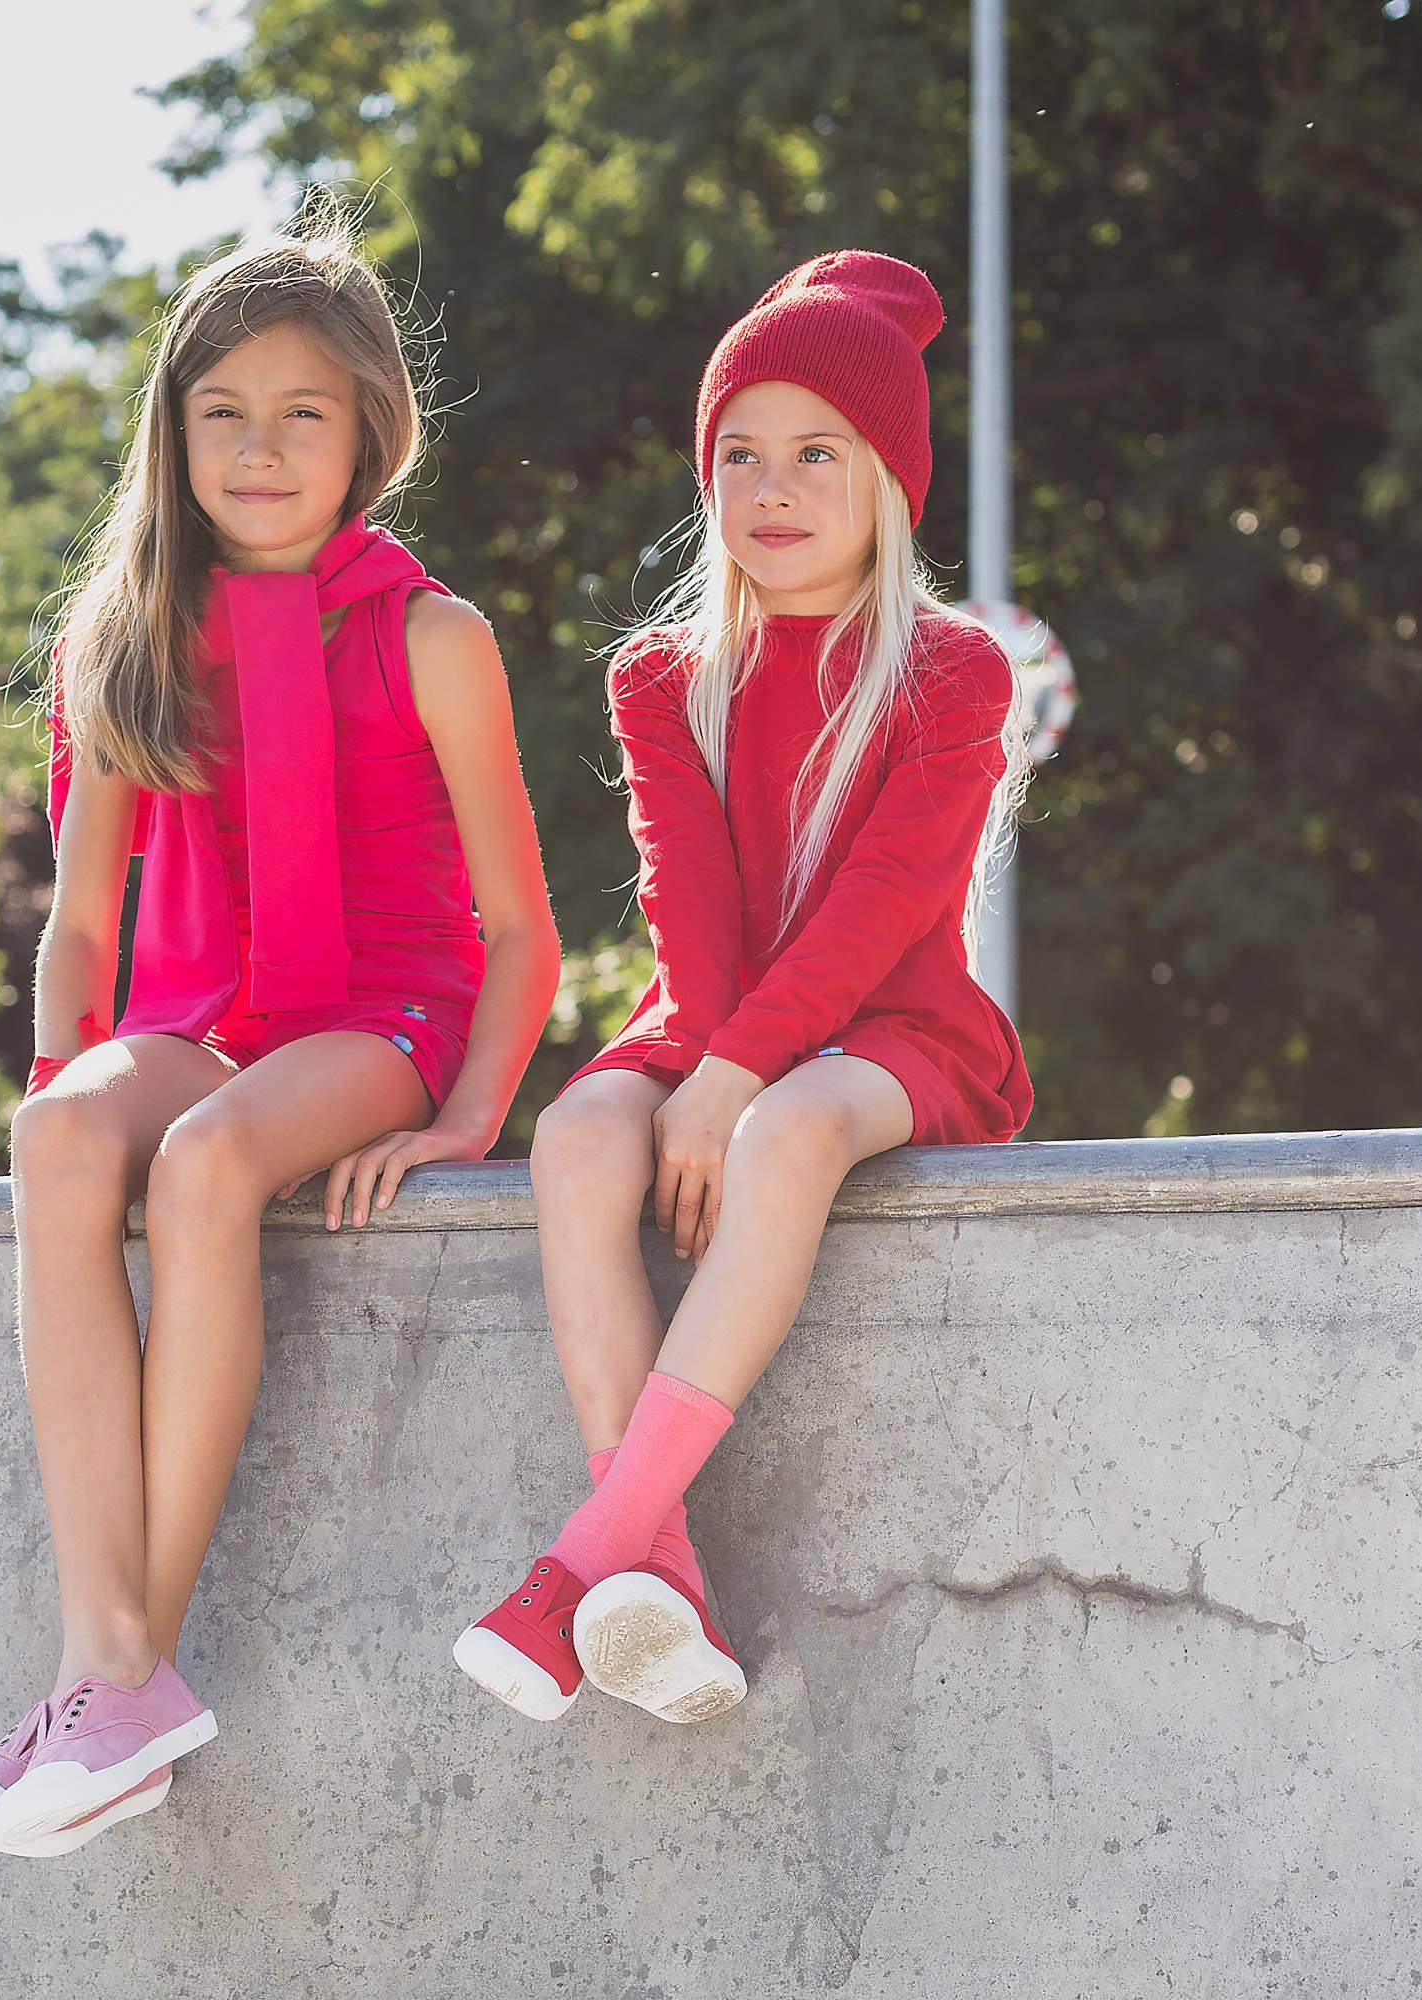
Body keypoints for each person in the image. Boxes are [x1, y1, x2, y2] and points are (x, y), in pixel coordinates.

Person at [0, 201, 560, 1854]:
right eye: (224, 412)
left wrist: (466, 1115)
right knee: (60, 1137)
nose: (261, 448)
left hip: (380, 1014)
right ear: (173, 430)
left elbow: (517, 928)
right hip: (201, 1017)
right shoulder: (121, 638)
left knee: (205, 1172)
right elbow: (75, 929)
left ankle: (120, 1685)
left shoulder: (434, 635)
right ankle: (103, 1668)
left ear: (369, 434)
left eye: (304, 414)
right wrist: (76, 1097)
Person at [454, 250, 1034, 1727]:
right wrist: (704, 1059)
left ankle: (578, 1564)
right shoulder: (664, 676)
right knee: (580, 1136)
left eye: (816, 454)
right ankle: (665, 1584)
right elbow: (688, 902)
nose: (771, 487)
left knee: (784, 1131)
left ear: (890, 481)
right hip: (712, 1017)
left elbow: (878, 911)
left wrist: (736, 1082)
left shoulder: (954, 672)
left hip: (891, 1030)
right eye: (739, 455)